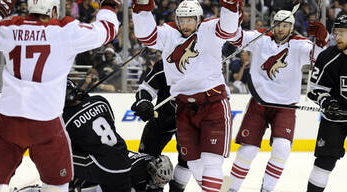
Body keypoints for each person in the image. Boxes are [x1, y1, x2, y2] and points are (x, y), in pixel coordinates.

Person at [0, 0, 120, 190]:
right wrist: (108, 5)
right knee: (56, 184)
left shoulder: (11, 27)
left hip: (7, 120)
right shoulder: (65, 31)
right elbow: (107, 29)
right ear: (54, 10)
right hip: (46, 123)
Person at [131, 0, 243, 190]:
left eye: (190, 20)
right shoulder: (169, 35)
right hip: (177, 112)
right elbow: (147, 37)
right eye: (182, 20)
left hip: (212, 104)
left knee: (210, 161)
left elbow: (228, 30)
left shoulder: (209, 30)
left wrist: (230, 6)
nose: (185, 25)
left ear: (198, 20)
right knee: (193, 162)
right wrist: (142, 7)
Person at [221, 10, 329, 192]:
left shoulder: (299, 44)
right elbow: (237, 38)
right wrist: (235, 20)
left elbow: (317, 58)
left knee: (282, 148)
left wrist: (321, 41)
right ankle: (231, 189)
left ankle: (267, 189)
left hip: (285, 107)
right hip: (259, 103)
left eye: (285, 25)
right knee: (248, 150)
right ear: (273, 23)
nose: (281, 29)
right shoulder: (260, 37)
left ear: (292, 27)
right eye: (278, 24)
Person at [62, 80, 173, 192]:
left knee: (58, 155)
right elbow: (111, 122)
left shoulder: (65, 119)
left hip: (104, 165)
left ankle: (66, 185)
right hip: (120, 156)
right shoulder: (100, 101)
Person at [131, 60, 192, 192]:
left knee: (188, 159)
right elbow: (146, 88)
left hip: (190, 122)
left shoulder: (204, 65)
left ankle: (177, 189)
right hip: (162, 119)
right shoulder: (166, 64)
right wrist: (143, 102)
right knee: (145, 160)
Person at [306, 14, 347, 192]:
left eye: (342, 33)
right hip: (334, 120)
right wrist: (326, 101)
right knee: (324, 162)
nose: (336, 37)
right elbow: (314, 90)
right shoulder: (327, 57)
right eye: (335, 33)